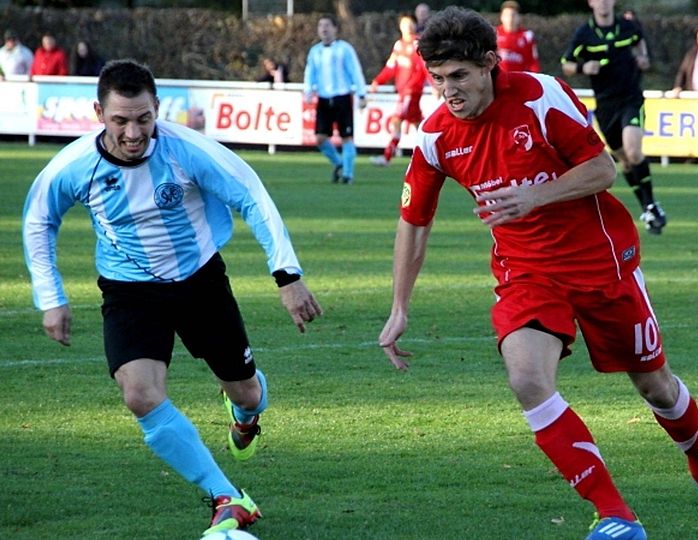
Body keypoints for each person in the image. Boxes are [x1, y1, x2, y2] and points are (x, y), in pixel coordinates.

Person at [378, 7, 698, 540]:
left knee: (656, 388)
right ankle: (616, 515)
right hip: (527, 275)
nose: (447, 91)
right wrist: (399, 306)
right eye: (437, 79)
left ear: (489, 64)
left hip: (602, 265)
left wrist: (533, 196)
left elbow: (603, 168)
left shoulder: (540, 96)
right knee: (527, 378)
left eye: (458, 76)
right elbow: (414, 222)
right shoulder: (436, 136)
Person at [22, 59, 322, 537]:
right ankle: (227, 497)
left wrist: (287, 276)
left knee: (245, 389)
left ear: (157, 108)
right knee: (139, 393)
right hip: (128, 291)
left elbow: (252, 195)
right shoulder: (75, 165)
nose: (134, 132)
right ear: (98, 112)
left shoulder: (187, 150)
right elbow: (39, 221)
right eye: (120, 120)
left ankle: (246, 413)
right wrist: (50, 297)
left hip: (200, 281)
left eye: (143, 118)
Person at [561, 0, 666, 235]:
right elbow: (566, 63)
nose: (604, 3)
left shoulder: (627, 27)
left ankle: (650, 203)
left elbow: (640, 45)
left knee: (634, 150)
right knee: (626, 161)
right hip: (606, 105)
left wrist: (643, 58)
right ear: (591, 3)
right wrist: (583, 68)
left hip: (630, 98)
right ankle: (648, 207)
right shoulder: (585, 33)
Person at [303, 14, 368, 185]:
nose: (324, 29)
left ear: (335, 28)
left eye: (327, 25)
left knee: (347, 137)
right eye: (320, 25)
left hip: (342, 97)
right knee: (320, 138)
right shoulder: (315, 51)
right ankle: (338, 163)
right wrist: (308, 91)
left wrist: (361, 94)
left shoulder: (344, 49)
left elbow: (355, 70)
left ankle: (348, 174)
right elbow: (310, 73)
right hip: (324, 99)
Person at [369, 13, 429, 167]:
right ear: (400, 26)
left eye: (410, 24)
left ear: (415, 26)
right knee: (420, 126)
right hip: (403, 92)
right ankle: (434, 154)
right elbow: (391, 67)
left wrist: (433, 84)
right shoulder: (399, 45)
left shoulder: (418, 44)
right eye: (404, 24)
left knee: (396, 120)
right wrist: (378, 81)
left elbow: (425, 67)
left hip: (411, 91)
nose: (408, 27)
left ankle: (387, 156)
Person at [496, 1, 540, 73]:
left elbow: (533, 62)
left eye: (513, 15)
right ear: (501, 17)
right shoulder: (494, 33)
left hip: (519, 78)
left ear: (518, 17)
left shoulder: (527, 36)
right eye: (507, 15)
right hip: (497, 77)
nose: (510, 19)